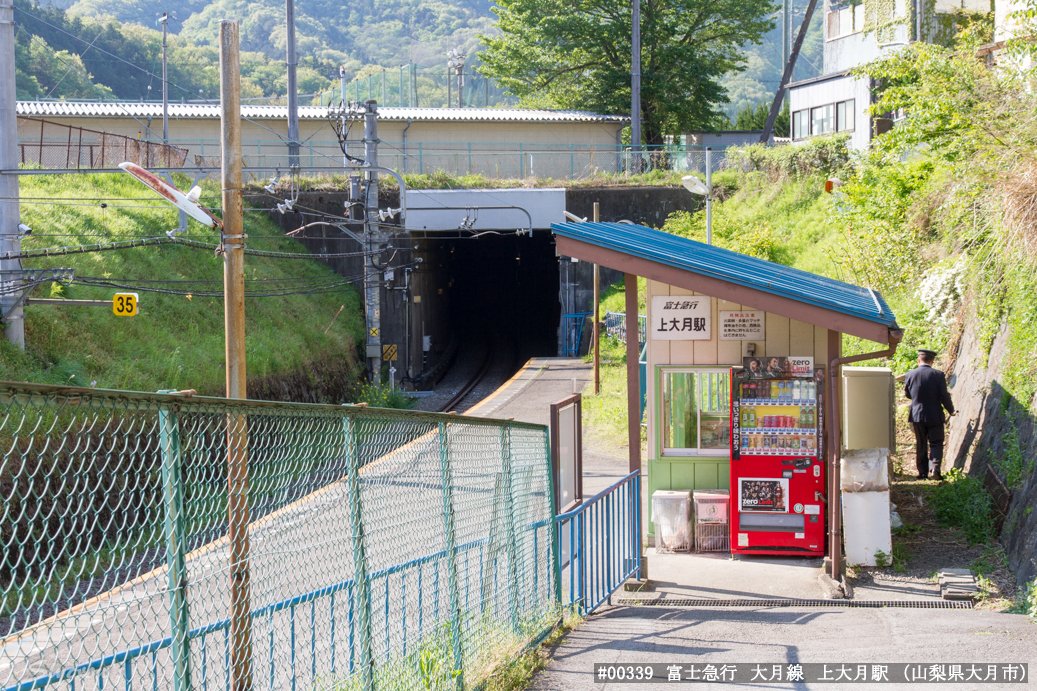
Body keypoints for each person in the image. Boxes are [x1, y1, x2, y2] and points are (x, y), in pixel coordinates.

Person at [903, 348, 955, 481]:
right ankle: (934, 470)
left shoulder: (910, 374)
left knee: (921, 443)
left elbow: (908, 394)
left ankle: (922, 472)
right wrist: (951, 410)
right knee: (936, 443)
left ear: (918, 360)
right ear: (932, 361)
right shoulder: (938, 375)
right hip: (935, 415)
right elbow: (944, 395)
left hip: (917, 415)